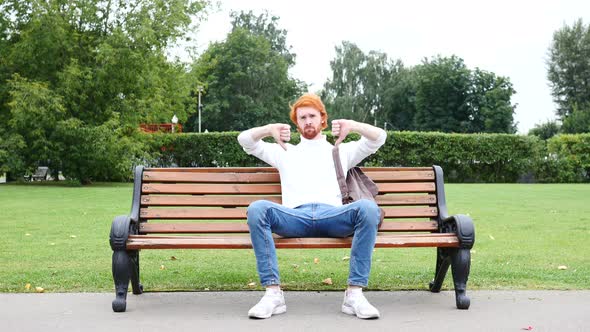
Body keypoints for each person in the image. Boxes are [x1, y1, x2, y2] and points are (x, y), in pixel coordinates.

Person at [237, 93, 387, 319]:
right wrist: (268, 130)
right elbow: (245, 141)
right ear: (296, 123)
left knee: (368, 208)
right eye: (302, 117)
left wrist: (353, 125)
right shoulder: (284, 152)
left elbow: (379, 138)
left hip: (333, 217)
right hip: (295, 218)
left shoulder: (341, 151)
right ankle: (273, 294)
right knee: (257, 208)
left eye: (312, 116)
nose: (308, 121)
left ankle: (354, 294)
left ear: (322, 119)